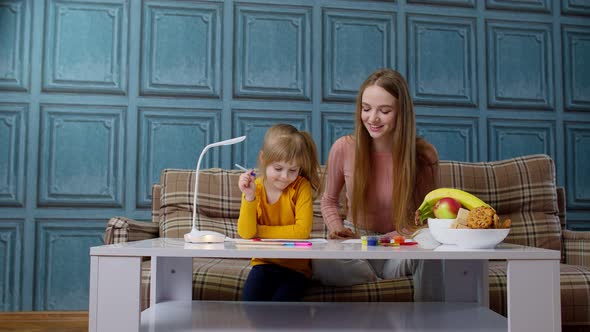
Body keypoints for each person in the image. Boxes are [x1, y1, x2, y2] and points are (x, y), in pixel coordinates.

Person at [314, 68, 442, 301]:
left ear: (401, 113)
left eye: (384, 111)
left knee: (432, 242)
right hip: (357, 246)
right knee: (321, 261)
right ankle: (378, 279)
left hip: (401, 245)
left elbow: (426, 216)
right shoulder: (343, 147)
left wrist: (386, 241)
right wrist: (336, 229)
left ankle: (425, 317)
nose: (372, 118)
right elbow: (329, 200)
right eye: (366, 109)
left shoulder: (423, 154)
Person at [237, 124, 321, 301]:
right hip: (263, 264)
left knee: (281, 310)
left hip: (296, 269)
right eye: (278, 168)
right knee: (249, 306)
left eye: (293, 170)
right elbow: (246, 233)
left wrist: (259, 232)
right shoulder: (256, 188)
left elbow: (301, 232)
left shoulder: (301, 187)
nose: (285, 177)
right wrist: (249, 196)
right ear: (263, 158)